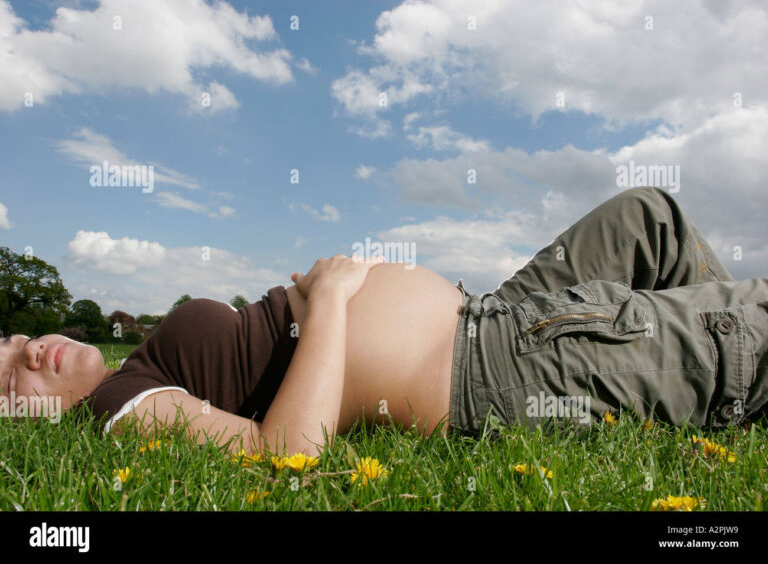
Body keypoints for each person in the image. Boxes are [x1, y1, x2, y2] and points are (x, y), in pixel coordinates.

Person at [1, 187, 766, 457]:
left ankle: (722, 400)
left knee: (649, 217)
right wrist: (330, 300)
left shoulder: (140, 359)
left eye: (10, 343)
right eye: (7, 375)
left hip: (488, 310)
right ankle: (721, 375)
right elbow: (286, 451)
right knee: (750, 328)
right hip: (494, 368)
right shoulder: (116, 409)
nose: (30, 349)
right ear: (15, 414)